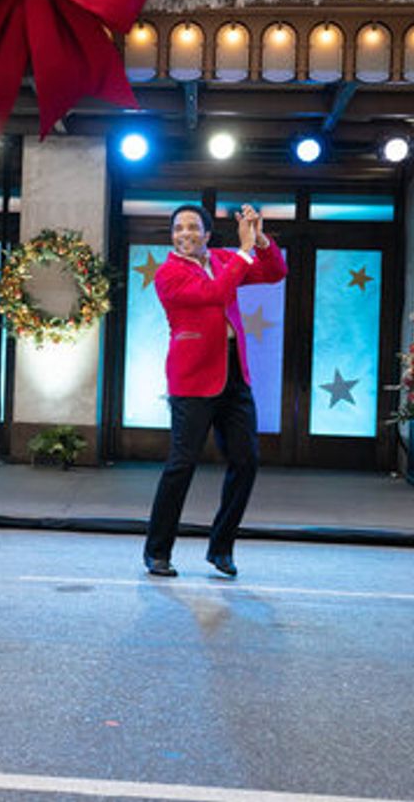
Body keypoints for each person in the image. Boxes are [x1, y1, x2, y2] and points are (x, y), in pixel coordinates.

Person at [144, 203, 288, 579]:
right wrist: (243, 252)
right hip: (192, 378)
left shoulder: (225, 258)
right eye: (178, 229)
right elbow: (213, 293)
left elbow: (276, 271)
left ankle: (221, 547)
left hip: (233, 374)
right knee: (181, 464)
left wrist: (259, 241)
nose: (185, 234)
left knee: (246, 461)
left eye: (193, 228)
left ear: (207, 234)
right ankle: (157, 551)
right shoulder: (168, 273)